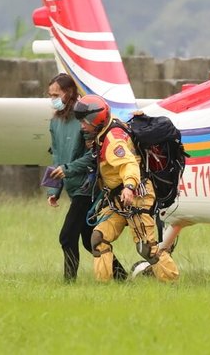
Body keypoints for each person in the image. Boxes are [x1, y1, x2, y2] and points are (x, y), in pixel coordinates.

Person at [73, 94, 179, 283]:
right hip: (117, 199)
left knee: (147, 249)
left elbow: (129, 164)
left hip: (135, 196)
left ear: (95, 120)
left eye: (84, 121)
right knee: (98, 238)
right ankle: (103, 287)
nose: (82, 125)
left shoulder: (113, 140)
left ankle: (172, 283)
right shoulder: (106, 129)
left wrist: (129, 187)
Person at [46, 74, 126, 282]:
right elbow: (56, 155)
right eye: (50, 95)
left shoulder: (84, 121)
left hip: (88, 187)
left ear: (70, 93)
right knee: (88, 239)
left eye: (56, 94)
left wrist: (69, 169)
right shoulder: (55, 122)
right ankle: (121, 276)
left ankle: (69, 283)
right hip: (73, 186)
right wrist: (54, 190)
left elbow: (94, 156)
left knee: (66, 236)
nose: (52, 98)